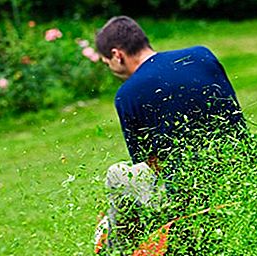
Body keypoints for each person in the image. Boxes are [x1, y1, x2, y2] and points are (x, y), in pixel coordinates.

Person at [95, 16, 246, 169]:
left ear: (117, 55)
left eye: (108, 64)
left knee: (116, 173)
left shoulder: (127, 95)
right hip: (245, 168)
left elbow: (148, 164)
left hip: (191, 188)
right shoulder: (202, 56)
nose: (112, 70)